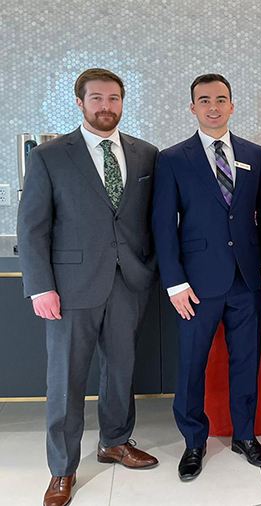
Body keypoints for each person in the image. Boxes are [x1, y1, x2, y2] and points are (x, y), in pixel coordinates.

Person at [17, 68, 160, 506]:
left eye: (114, 98)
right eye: (96, 98)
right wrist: (40, 287)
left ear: (122, 102)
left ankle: (115, 441)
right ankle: (62, 470)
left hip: (128, 282)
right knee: (66, 380)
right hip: (70, 287)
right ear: (79, 103)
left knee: (120, 369)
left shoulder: (146, 154)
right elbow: (32, 227)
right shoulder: (49, 156)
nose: (106, 106)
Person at [151, 74, 261, 481]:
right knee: (191, 364)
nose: (213, 106)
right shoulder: (172, 158)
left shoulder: (254, 154)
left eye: (221, 99)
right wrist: (174, 282)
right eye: (204, 100)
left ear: (232, 105)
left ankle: (244, 435)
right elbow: (163, 226)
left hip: (246, 279)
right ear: (192, 108)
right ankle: (193, 441)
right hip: (195, 284)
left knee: (246, 360)